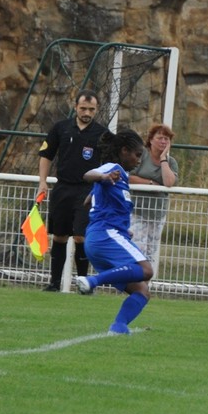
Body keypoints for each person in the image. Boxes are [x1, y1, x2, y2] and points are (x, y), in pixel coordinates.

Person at [73, 129, 153, 335]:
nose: (138, 160)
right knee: (146, 270)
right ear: (124, 151)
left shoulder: (121, 177)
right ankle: (92, 281)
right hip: (105, 234)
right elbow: (88, 175)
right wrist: (104, 176)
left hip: (103, 237)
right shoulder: (113, 168)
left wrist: (100, 195)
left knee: (142, 291)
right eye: (136, 155)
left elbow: (88, 201)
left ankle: (118, 327)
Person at [37, 89, 108, 292]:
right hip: (63, 188)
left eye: (91, 109)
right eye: (83, 108)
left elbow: (112, 162)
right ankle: (54, 283)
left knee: (81, 237)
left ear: (97, 110)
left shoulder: (102, 134)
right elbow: (46, 155)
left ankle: (85, 284)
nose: (87, 112)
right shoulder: (61, 128)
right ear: (75, 106)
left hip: (87, 191)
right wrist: (42, 181)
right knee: (59, 236)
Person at [128, 124, 179, 275]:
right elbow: (129, 177)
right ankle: (130, 279)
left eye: (166, 139)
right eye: (160, 138)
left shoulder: (171, 162)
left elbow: (169, 182)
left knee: (150, 250)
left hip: (157, 214)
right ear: (151, 140)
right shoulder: (141, 156)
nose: (163, 141)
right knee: (137, 248)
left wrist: (163, 159)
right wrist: (150, 183)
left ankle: (143, 283)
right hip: (138, 211)